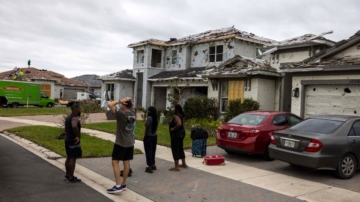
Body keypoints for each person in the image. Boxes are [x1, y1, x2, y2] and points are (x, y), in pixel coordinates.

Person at [107, 97, 136, 194]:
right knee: (126, 162)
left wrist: (120, 101)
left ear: (124, 105)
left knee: (115, 162)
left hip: (121, 142)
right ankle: (124, 184)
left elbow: (110, 105)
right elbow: (132, 106)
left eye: (122, 104)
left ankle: (118, 185)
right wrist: (128, 101)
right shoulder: (133, 113)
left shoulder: (121, 114)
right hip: (130, 142)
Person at [64, 104, 82, 183]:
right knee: (73, 159)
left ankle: (67, 175)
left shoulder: (68, 118)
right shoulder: (74, 118)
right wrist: (77, 136)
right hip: (73, 141)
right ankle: (71, 177)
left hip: (67, 139)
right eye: (79, 109)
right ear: (76, 110)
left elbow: (66, 129)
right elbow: (74, 126)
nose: (80, 111)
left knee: (68, 157)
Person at [169, 104, 187, 171]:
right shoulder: (181, 116)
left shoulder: (177, 116)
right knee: (180, 148)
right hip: (181, 134)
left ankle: (176, 166)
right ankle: (183, 163)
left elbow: (179, 124)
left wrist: (173, 129)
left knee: (175, 149)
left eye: (174, 108)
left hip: (176, 135)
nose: (172, 109)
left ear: (177, 110)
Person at [143, 106, 158, 173]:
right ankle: (153, 164)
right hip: (154, 135)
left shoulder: (149, 118)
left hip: (149, 136)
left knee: (148, 151)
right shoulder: (155, 118)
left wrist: (145, 136)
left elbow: (147, 127)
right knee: (153, 150)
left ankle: (149, 166)